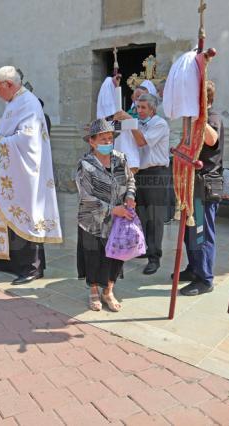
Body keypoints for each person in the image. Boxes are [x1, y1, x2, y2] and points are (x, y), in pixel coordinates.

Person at [0, 65, 63, 284]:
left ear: (9, 85)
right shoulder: (15, 101)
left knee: (26, 214)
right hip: (15, 171)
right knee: (12, 213)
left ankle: (32, 267)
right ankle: (11, 262)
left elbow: (28, 141)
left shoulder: (28, 102)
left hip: (27, 172)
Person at [76, 119, 136, 312]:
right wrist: (112, 209)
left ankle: (108, 291)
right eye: (103, 139)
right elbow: (86, 196)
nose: (107, 142)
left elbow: (130, 180)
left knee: (116, 256)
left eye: (110, 138)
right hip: (92, 220)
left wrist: (130, 196)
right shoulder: (85, 165)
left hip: (117, 221)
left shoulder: (120, 159)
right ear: (92, 142)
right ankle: (94, 290)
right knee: (93, 256)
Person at [177, 80, 225, 296]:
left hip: (204, 185)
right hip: (191, 183)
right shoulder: (195, 120)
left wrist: (199, 117)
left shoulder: (212, 117)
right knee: (190, 232)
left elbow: (212, 139)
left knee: (201, 234)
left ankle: (205, 279)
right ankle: (194, 268)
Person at [115, 93, 170, 275]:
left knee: (155, 217)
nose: (139, 111)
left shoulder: (159, 123)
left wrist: (130, 121)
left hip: (156, 173)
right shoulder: (140, 123)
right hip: (139, 173)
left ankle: (155, 258)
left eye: (143, 108)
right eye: (137, 107)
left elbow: (141, 141)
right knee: (141, 214)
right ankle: (144, 248)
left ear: (152, 109)